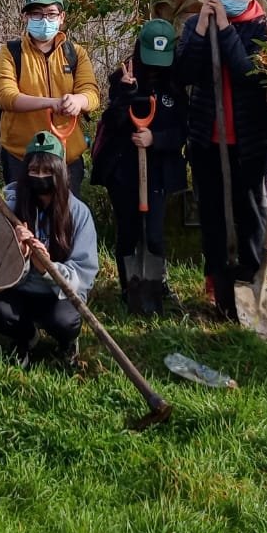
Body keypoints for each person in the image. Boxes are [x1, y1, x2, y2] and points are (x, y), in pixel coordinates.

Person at [176, 0, 267, 318]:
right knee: (212, 216)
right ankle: (218, 291)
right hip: (208, 140)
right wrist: (204, 27)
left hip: (250, 142)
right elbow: (186, 71)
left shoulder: (266, 29)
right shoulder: (195, 24)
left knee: (251, 216)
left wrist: (225, 26)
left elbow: (248, 72)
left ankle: (252, 288)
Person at [93, 19, 188, 315]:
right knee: (128, 231)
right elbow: (111, 123)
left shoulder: (176, 85)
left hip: (158, 171)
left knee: (155, 234)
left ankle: (155, 283)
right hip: (123, 171)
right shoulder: (124, 77)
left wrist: (155, 138)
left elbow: (183, 131)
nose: (156, 67)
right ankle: (128, 287)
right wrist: (124, 95)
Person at [0, 131, 99, 365]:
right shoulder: (10, 208)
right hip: (20, 291)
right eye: (34, 171)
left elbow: (83, 275)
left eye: (48, 172)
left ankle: (67, 343)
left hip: (57, 295)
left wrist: (48, 269)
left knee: (65, 321)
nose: (40, 177)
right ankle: (25, 337)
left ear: (59, 173)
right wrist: (20, 256)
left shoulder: (78, 213)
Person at [0, 0, 99, 195]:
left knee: (64, 220)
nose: (44, 20)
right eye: (36, 14)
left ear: (62, 17)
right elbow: (5, 97)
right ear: (26, 17)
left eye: (50, 14)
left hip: (66, 157)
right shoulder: (10, 53)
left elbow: (92, 94)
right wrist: (50, 103)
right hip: (21, 157)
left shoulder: (76, 54)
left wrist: (79, 101)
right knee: (24, 222)